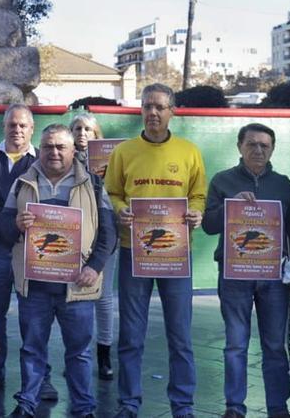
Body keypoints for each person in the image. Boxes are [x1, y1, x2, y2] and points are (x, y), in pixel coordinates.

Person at [104, 84, 206, 418]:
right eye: (147, 106)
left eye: (160, 107)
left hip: (176, 255)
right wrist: (120, 210)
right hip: (134, 251)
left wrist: (195, 213)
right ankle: (129, 403)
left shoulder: (189, 152)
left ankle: (183, 405)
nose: (153, 113)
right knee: (131, 335)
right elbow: (112, 193)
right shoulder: (124, 152)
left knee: (181, 336)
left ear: (172, 111)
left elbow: (199, 196)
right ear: (141, 110)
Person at [0, 125, 115, 418]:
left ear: (73, 150)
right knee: (32, 350)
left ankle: (84, 408)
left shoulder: (94, 184)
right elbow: (2, 226)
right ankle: (27, 404)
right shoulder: (22, 183)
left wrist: (94, 267)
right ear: (41, 147)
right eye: (48, 146)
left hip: (77, 286)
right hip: (35, 285)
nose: (54, 152)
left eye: (61, 147)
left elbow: (109, 234)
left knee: (79, 353)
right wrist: (16, 225)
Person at [203, 123, 290, 418]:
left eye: (264, 145)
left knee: (275, 346)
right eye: (252, 144)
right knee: (235, 345)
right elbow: (208, 225)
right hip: (234, 275)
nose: (258, 149)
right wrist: (230, 206)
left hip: (274, 278)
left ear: (272, 149)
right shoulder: (223, 181)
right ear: (240, 146)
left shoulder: (284, 185)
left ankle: (278, 408)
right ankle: (234, 408)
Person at [0, 103, 36, 392]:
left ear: (32, 129)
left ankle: (38, 379)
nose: (16, 130)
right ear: (4, 127)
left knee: (33, 317)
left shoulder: (43, 160)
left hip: (30, 253)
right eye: (11, 125)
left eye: (22, 125)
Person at [70, 112, 117, 382]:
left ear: (97, 134)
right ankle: (79, 355)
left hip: (105, 236)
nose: (82, 133)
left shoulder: (112, 160)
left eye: (88, 129)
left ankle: (104, 354)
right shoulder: (64, 159)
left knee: (104, 297)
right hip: (76, 236)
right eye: (77, 128)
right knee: (77, 296)